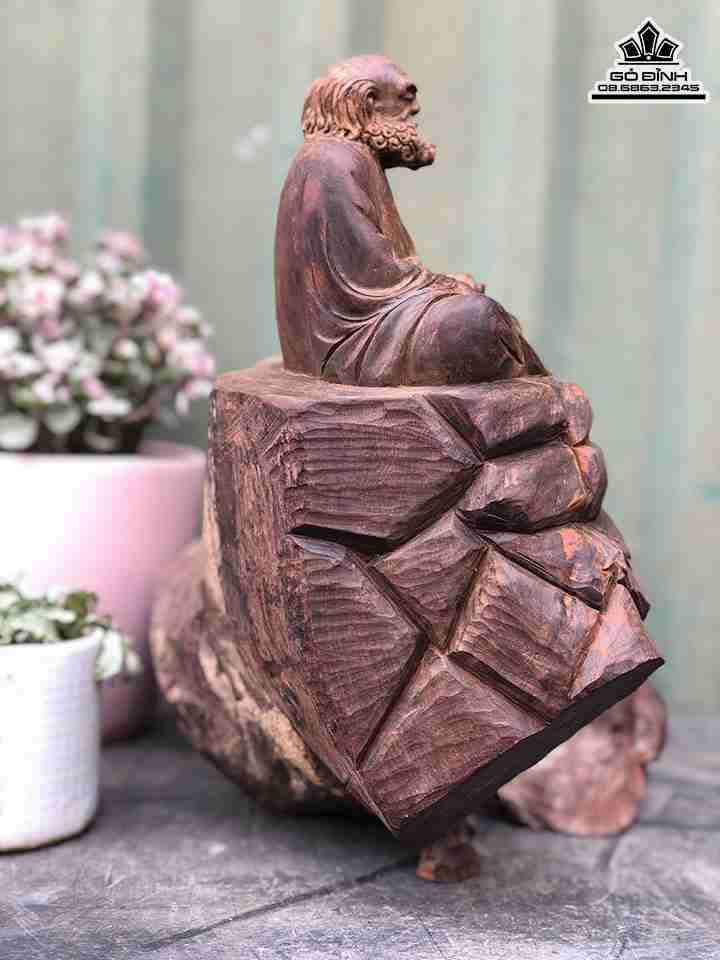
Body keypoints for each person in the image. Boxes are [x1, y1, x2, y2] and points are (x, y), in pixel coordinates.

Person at [275, 55, 546, 387]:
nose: (415, 109)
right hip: (354, 344)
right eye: (407, 95)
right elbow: (372, 280)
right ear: (369, 101)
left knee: (486, 318)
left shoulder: (346, 156)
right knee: (480, 319)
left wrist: (439, 286)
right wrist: (446, 286)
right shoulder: (333, 160)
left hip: (368, 326)